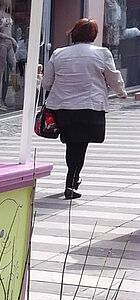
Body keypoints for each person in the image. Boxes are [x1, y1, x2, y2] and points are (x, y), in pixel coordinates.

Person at [41, 17, 127, 200]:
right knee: (79, 145)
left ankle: (72, 178)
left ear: (74, 33)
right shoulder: (102, 53)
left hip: (62, 106)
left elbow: (47, 83)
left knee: (73, 143)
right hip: (89, 106)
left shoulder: (58, 54)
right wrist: (121, 93)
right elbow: (113, 77)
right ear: (93, 35)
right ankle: (71, 182)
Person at [0, 0, 16, 109]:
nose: (10, 1)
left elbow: (10, 29)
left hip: (10, 44)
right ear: (5, 1)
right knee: (0, 72)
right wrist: (11, 38)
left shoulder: (8, 14)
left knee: (13, 66)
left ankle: (13, 95)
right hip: (2, 44)